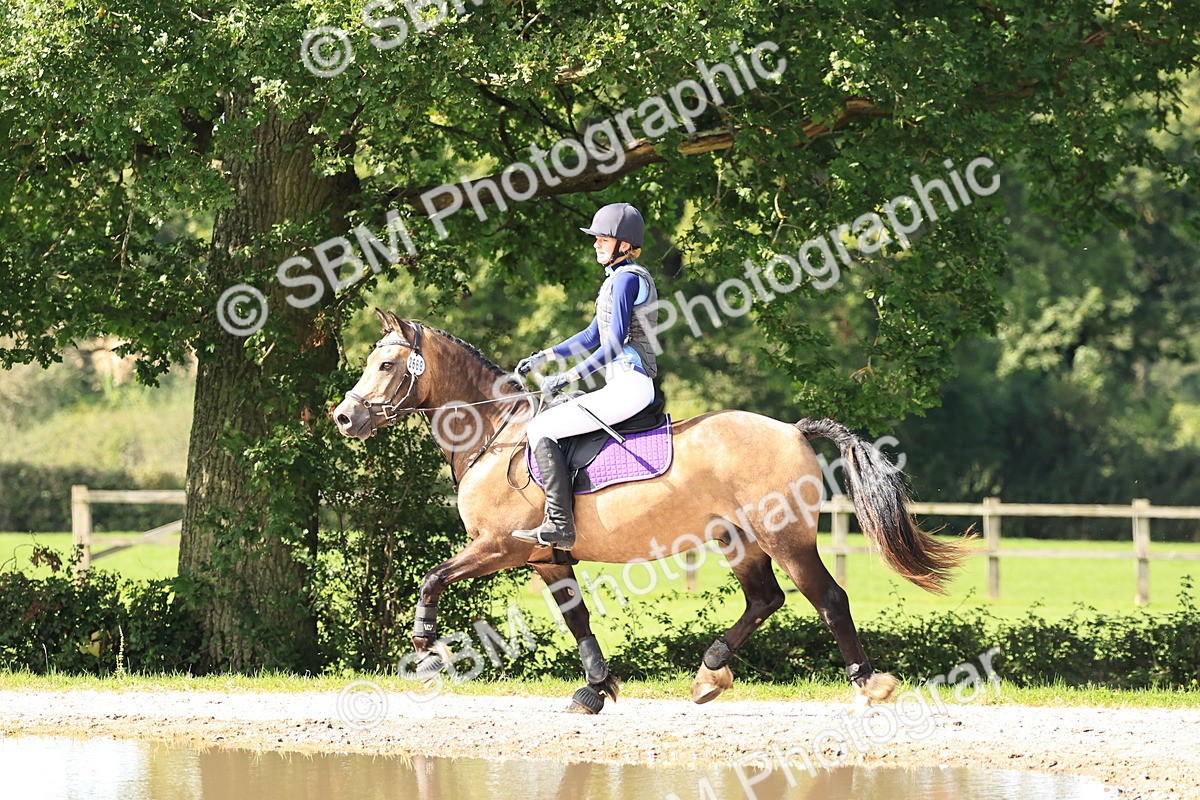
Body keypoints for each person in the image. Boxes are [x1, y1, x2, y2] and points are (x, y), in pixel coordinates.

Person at [512, 202, 660, 550]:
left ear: (625, 244)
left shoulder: (626, 280)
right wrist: (543, 357)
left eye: (603, 239)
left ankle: (560, 526)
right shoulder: (614, 281)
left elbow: (611, 345)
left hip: (631, 385)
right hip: (622, 384)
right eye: (596, 239)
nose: (596, 244)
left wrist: (569, 376)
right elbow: (591, 335)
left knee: (540, 428)